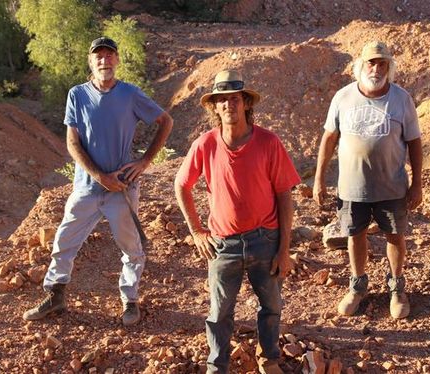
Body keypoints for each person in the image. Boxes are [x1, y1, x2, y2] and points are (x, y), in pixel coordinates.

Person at [22, 36, 173, 326]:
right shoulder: (77, 95)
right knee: (64, 241)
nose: (104, 61)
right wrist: (98, 176)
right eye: (98, 57)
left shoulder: (130, 94)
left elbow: (166, 121)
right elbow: (72, 142)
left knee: (131, 248)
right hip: (87, 187)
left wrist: (144, 162)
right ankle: (55, 297)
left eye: (109, 56)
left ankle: (130, 300)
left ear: (117, 60)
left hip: (122, 189)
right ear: (91, 62)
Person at [174, 70, 300, 374]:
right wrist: (196, 231)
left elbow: (284, 196)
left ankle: (268, 358)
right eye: (222, 100)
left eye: (234, 98)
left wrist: (284, 250)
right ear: (215, 107)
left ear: (245, 103)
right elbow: (181, 185)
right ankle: (217, 365)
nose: (229, 104)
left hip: (265, 239)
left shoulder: (269, 142)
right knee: (219, 312)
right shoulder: (205, 144)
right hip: (222, 243)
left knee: (271, 306)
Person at [313, 41, 423, 319]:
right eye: (371, 63)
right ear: (360, 66)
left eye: (382, 63)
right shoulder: (342, 97)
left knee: (395, 236)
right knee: (354, 235)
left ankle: (397, 288)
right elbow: (329, 138)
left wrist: (418, 182)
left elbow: (414, 142)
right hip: (352, 186)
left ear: (389, 67)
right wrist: (319, 179)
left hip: (392, 185)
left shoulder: (401, 99)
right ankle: (357, 285)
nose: (376, 68)